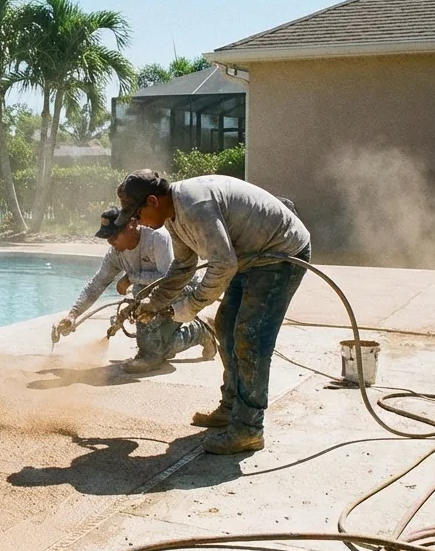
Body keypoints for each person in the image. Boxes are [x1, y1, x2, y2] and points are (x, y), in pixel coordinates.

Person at [115, 170, 312, 454]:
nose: (137, 223)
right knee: (225, 325)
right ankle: (232, 406)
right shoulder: (173, 214)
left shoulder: (195, 208)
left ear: (152, 202)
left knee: (249, 337)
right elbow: (183, 267)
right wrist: (155, 302)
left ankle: (249, 429)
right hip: (249, 258)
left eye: (137, 215)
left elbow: (222, 265)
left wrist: (189, 307)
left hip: (280, 253)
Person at [55, 207, 216, 372]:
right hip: (149, 293)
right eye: (107, 238)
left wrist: (131, 277)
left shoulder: (157, 237)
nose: (111, 242)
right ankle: (194, 334)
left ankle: (195, 333)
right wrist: (73, 314)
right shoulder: (116, 253)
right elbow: (97, 283)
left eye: (114, 236)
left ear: (131, 225)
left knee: (155, 351)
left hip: (182, 288)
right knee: (159, 346)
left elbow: (170, 278)